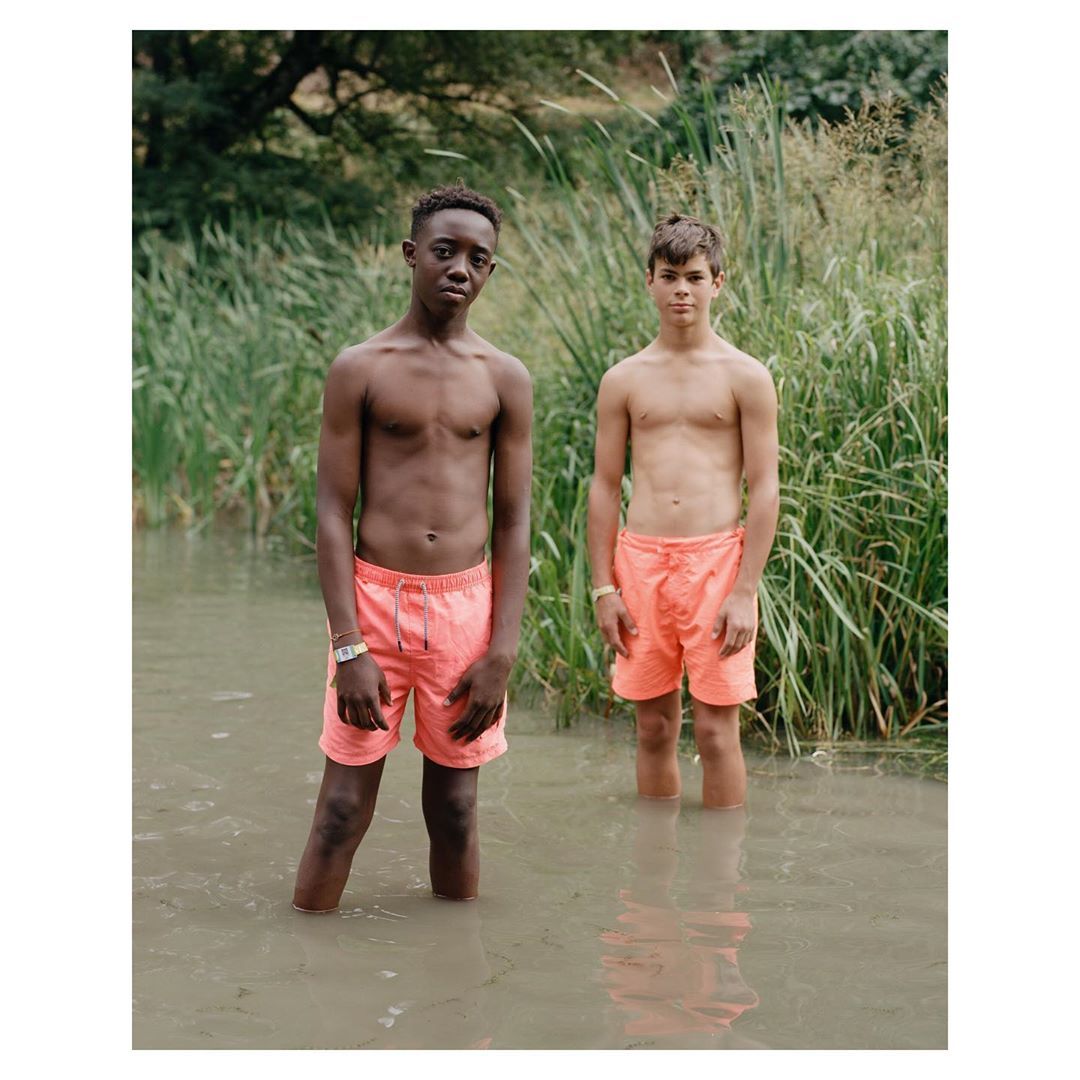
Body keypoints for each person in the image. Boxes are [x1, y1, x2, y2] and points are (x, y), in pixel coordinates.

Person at [292, 184, 532, 911]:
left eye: (479, 258)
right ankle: (307, 970)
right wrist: (347, 646)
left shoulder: (504, 377)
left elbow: (514, 520)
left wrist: (503, 651)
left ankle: (456, 988)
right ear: (410, 255)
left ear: (490, 272)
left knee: (455, 812)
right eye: (445, 251)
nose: (461, 268)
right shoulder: (360, 367)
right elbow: (333, 511)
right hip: (374, 605)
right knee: (340, 810)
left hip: (465, 613)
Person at [587, 213, 779, 809]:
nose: (681, 290)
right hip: (641, 564)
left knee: (719, 734)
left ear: (718, 282)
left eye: (694, 277)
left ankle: (721, 895)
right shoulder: (623, 379)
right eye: (668, 276)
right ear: (649, 280)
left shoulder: (746, 377)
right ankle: (653, 886)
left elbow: (766, 487)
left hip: (716, 563)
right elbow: (602, 485)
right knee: (653, 729)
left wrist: (746, 589)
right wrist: (602, 588)